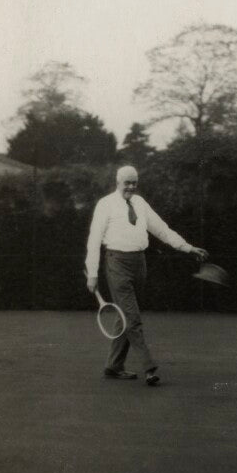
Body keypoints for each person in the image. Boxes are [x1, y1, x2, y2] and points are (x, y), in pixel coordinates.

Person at [85, 165, 208, 386]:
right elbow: (94, 239)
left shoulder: (140, 203)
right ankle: (149, 368)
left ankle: (113, 366)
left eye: (134, 183)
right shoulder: (105, 205)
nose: (131, 187)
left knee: (126, 314)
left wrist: (188, 248)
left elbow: (161, 229)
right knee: (133, 318)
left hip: (139, 264)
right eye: (127, 183)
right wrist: (92, 273)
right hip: (116, 263)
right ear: (118, 182)